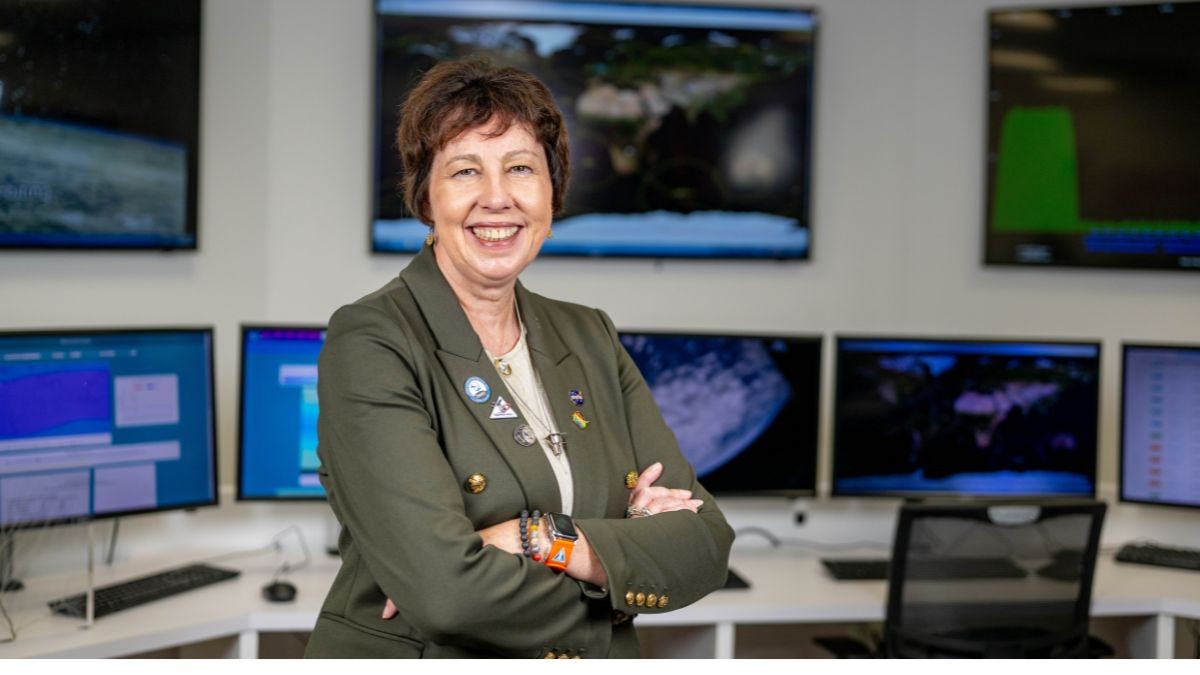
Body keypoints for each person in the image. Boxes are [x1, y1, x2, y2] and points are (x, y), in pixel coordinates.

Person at [304, 58, 734, 659]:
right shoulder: (372, 340)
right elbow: (448, 595)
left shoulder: (588, 335)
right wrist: (620, 575)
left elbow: (707, 545)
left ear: (551, 193)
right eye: (464, 171)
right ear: (426, 197)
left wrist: (532, 537)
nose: (496, 198)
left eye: (521, 168)